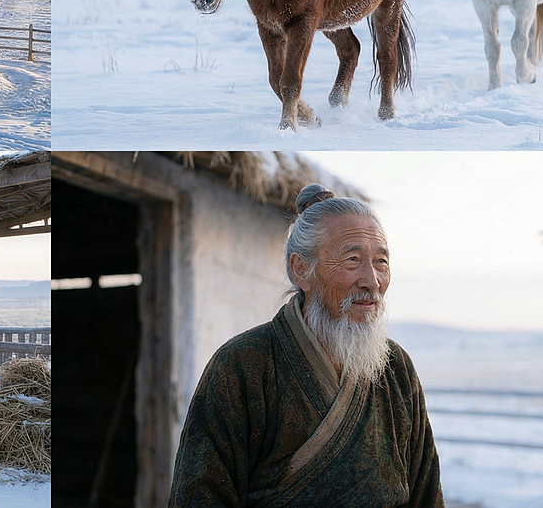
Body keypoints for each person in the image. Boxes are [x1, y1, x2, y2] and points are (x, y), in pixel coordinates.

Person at [168, 184, 444, 507]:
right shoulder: (243, 366)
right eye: (352, 259)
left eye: (381, 262)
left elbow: (427, 496)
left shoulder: (396, 371)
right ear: (302, 270)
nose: (372, 280)